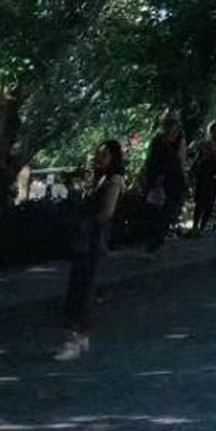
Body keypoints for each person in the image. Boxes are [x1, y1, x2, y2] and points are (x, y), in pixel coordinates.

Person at [55, 140, 125, 361]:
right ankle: (79, 337)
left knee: (84, 288)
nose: (99, 158)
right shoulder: (99, 178)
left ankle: (77, 337)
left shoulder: (113, 180)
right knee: (79, 284)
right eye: (98, 154)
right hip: (87, 235)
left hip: (94, 237)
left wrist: (87, 218)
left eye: (104, 155)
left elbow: (107, 212)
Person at [138, 113, 188, 252]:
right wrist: (146, 177)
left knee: (169, 210)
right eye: (168, 124)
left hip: (172, 179)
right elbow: (150, 160)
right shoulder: (157, 140)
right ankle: (151, 239)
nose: (171, 127)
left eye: (173, 124)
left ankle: (156, 240)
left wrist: (183, 180)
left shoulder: (179, 140)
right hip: (156, 178)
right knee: (153, 209)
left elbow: (180, 161)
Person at [190, 120, 216, 237]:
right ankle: (195, 226)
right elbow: (198, 160)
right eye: (214, 130)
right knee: (200, 202)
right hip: (204, 175)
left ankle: (202, 227)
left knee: (210, 203)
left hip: (215, 177)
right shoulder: (204, 144)